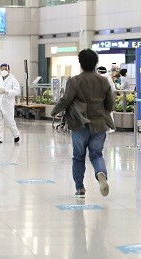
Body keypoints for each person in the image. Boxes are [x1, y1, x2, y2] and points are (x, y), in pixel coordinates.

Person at [51, 49, 114, 198]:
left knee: (78, 157)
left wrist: (55, 111)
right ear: (95, 63)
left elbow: (66, 99)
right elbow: (110, 103)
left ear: (80, 63)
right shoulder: (103, 80)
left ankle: (80, 187)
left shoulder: (74, 81)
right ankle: (100, 174)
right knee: (97, 155)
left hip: (80, 124)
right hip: (99, 124)